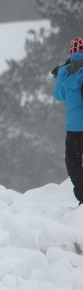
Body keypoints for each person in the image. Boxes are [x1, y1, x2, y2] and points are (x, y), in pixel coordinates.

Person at [53, 37, 83, 205]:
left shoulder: (65, 71)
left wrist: (61, 71)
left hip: (74, 128)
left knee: (74, 163)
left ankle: (82, 196)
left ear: (71, 52)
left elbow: (58, 95)